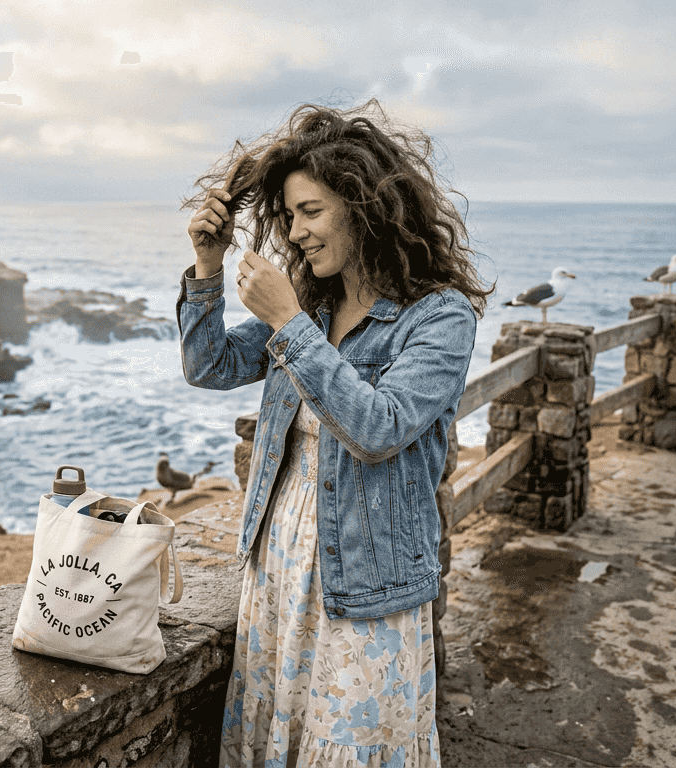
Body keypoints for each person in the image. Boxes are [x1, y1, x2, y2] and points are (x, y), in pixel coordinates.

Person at [178, 101, 491, 767]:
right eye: (289, 216)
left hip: (367, 575)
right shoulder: (316, 306)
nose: (295, 233)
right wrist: (207, 266)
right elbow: (210, 366)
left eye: (310, 212)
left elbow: (379, 428)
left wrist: (287, 323)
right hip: (280, 560)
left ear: (364, 206)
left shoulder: (439, 318)